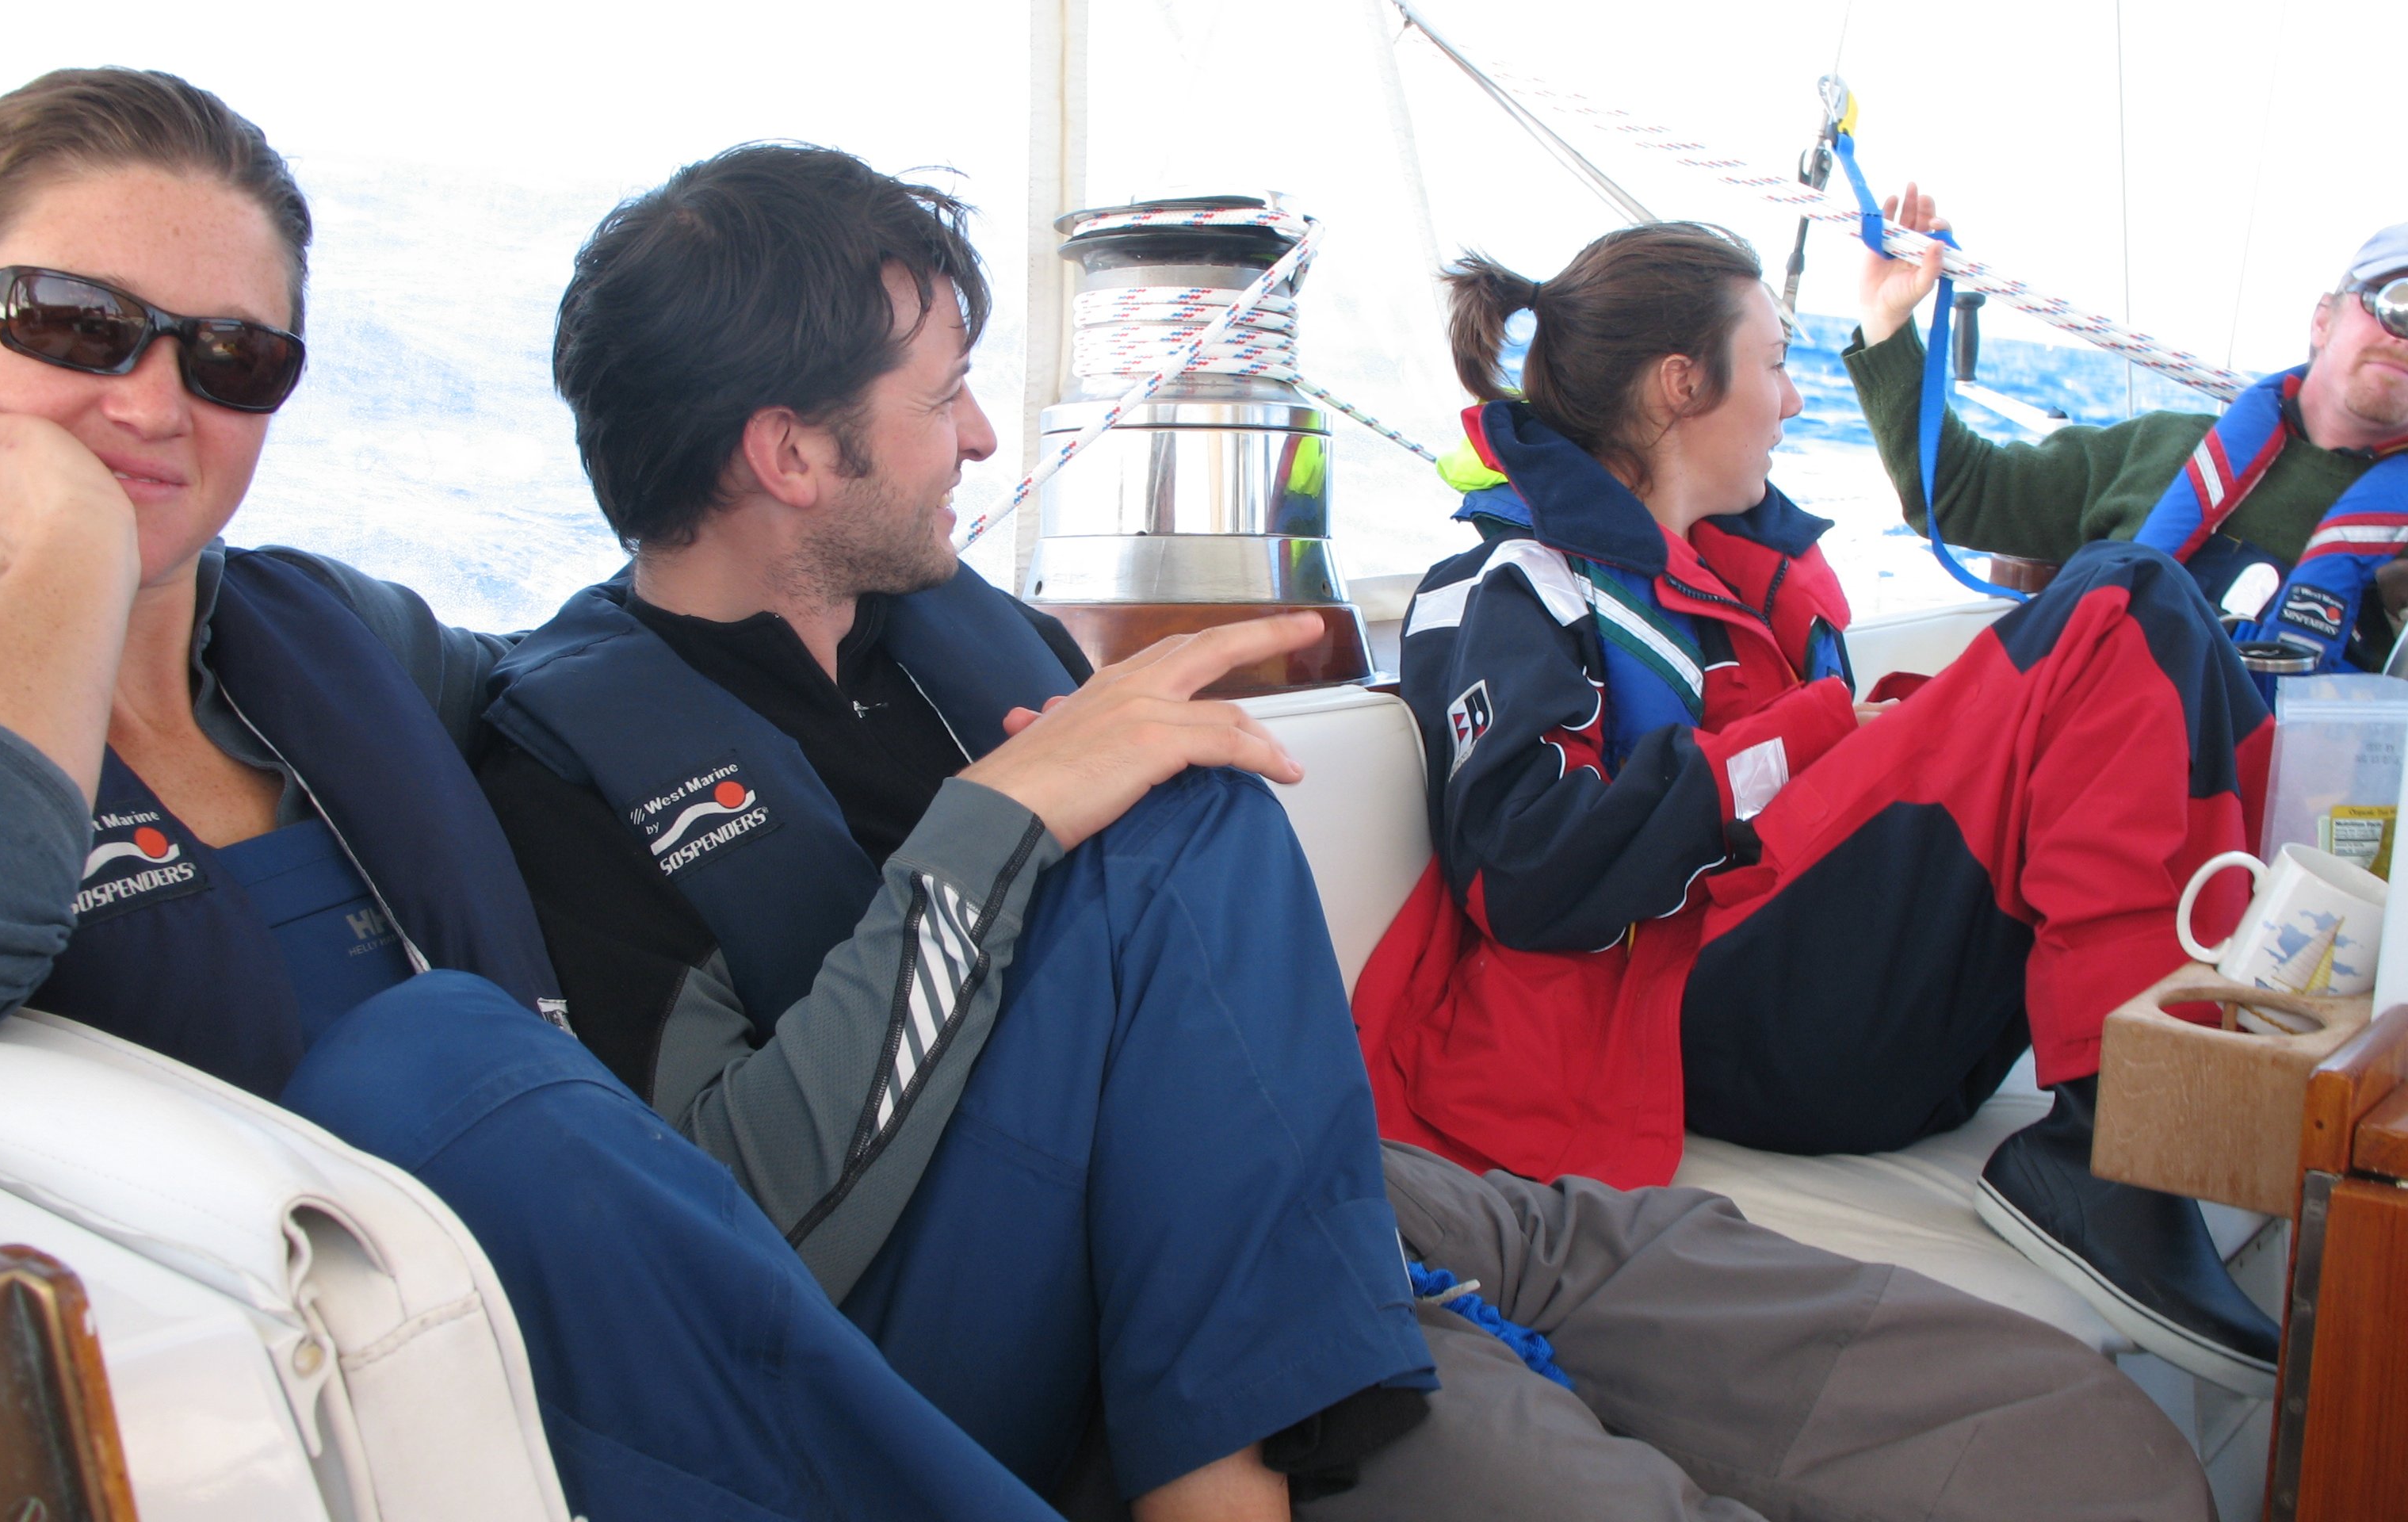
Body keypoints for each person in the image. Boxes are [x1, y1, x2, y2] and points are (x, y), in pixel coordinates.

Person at [469, 143, 2216, 1520]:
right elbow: (723, 1223)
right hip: (1081, 1300)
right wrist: (996, 826)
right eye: (942, 398)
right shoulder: (573, 768)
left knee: (2068, 1438)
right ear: (788, 453)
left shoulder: (961, 639)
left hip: (1344, 1177)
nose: (985, 436)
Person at [0, 66, 1357, 1522]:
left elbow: (604, 674)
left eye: (236, 358)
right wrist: (69, 548)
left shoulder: (330, 644)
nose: (153, 402)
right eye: (71, 323)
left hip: (675, 1316)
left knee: (1184, 793)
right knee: (429, 1062)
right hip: (386, 1421)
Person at [1353, 218, 2284, 1402]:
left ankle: (2183, 1090)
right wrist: (1801, 744)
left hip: (1839, 1011)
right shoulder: (1511, 584)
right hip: (1700, 1015)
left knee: (2170, 627)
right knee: (2124, 596)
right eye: (1779, 362)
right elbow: (1525, 869)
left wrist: (1863, 733)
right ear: (1682, 383)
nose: (1795, 399)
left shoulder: (1744, 584)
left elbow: (1804, 783)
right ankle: (2117, 1150)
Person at [1847, 187, 2408, 673]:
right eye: (2393, 303)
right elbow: (1958, 492)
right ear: (2324, 318)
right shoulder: (2163, 450)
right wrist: (1886, 324)